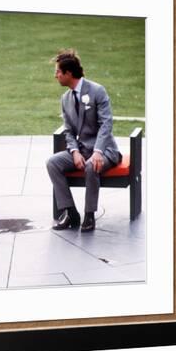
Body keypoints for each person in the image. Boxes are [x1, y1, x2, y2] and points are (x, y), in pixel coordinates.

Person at [46, 49, 122, 232]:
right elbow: (69, 131)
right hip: (82, 149)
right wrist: (74, 151)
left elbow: (106, 124)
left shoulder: (97, 91)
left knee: (91, 165)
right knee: (52, 163)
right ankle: (70, 212)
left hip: (105, 151)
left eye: (58, 71)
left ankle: (89, 214)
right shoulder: (65, 99)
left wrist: (98, 152)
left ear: (68, 73)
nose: (55, 75)